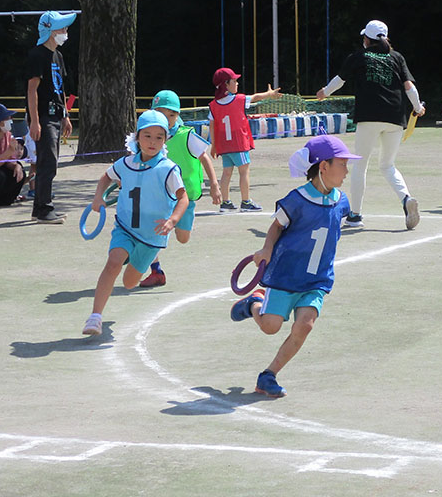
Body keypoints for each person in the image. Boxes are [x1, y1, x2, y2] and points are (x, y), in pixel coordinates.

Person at [229, 135, 359, 398]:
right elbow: (277, 225)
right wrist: (266, 249)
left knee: (305, 325)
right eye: (343, 164)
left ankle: (269, 375)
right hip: (286, 277)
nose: (347, 170)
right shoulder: (296, 199)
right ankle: (253, 303)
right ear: (323, 166)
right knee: (270, 327)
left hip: (317, 280)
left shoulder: (341, 200)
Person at [82, 110, 188, 336]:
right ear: (137, 137)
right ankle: (95, 317)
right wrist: (98, 197)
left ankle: (133, 261)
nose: (152, 141)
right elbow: (106, 176)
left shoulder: (168, 169)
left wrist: (173, 220)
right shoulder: (125, 163)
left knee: (130, 283)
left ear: (165, 140)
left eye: (159, 137)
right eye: (147, 135)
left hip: (152, 237)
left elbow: (183, 197)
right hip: (126, 227)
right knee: (112, 263)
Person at [316, 19, 425, 230]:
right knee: (387, 165)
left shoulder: (358, 56)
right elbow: (409, 87)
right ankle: (406, 199)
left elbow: (340, 79)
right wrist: (418, 107)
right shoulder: (397, 57)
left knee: (360, 165)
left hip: (369, 116)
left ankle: (355, 216)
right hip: (395, 116)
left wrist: (324, 92)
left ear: (367, 39)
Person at [139, 89, 222, 287]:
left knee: (183, 238)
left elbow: (204, 157)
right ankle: (156, 270)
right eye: (161, 113)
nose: (167, 119)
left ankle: (175, 226)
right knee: (149, 232)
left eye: (172, 114)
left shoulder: (186, 135)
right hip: (158, 195)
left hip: (183, 195)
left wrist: (215, 185)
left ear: (178, 115)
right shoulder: (147, 135)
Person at [26, 10, 75, 223]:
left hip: (56, 115)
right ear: (49, 30)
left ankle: (39, 208)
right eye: (61, 28)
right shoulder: (36, 55)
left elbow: (60, 88)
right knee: (48, 163)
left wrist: (66, 115)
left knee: (49, 161)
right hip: (43, 117)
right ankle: (45, 209)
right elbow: (32, 90)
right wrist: (34, 120)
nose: (65, 32)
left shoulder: (58, 55)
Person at [208, 67, 281, 212]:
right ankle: (246, 201)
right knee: (244, 171)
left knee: (226, 173)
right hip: (238, 143)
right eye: (234, 81)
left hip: (224, 145)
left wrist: (214, 146)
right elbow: (256, 97)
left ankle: (225, 202)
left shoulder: (213, 105)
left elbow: (212, 126)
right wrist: (269, 94)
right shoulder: (239, 99)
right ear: (226, 85)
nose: (237, 84)